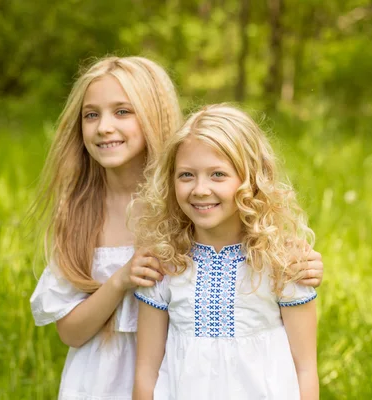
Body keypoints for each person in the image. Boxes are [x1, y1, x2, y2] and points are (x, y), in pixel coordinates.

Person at [30, 57, 323, 400]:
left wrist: (300, 258)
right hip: (103, 382)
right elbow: (71, 332)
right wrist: (122, 279)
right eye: (91, 114)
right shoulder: (81, 215)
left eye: (122, 111)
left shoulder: (185, 211)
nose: (104, 126)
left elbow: (250, 237)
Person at [133, 104, 319, 400]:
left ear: (251, 180)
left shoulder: (282, 261)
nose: (200, 189)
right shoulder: (165, 261)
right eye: (186, 175)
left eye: (218, 174)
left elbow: (306, 369)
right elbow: (146, 373)